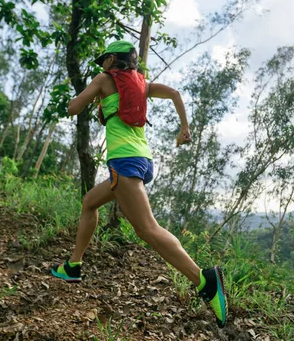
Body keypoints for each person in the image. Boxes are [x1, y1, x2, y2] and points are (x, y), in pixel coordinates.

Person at [50, 40, 227, 328]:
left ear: (111, 60)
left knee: (147, 229)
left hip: (124, 162)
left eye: (104, 60)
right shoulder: (142, 84)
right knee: (89, 203)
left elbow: (72, 108)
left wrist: (84, 98)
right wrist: (185, 128)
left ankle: (203, 280)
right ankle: (73, 265)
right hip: (141, 160)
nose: (102, 66)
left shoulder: (104, 80)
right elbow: (175, 94)